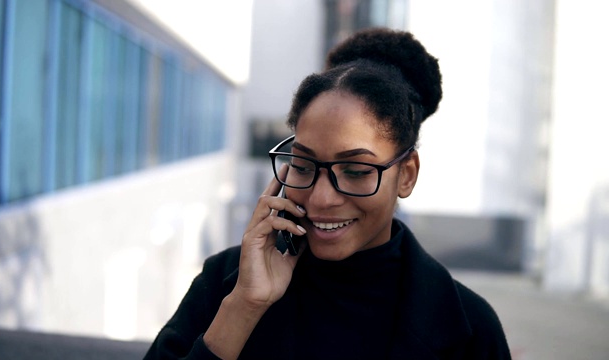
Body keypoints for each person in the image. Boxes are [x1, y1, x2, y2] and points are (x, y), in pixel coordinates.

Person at [144, 28, 511, 360]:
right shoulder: (227, 282)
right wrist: (244, 307)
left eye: (355, 171)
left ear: (407, 175)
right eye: (303, 166)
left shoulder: (469, 329)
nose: (320, 199)